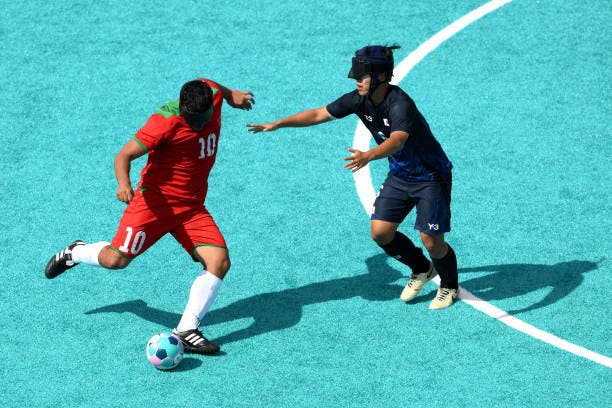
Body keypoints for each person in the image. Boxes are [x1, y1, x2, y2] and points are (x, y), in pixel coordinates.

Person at [45, 78, 255, 353]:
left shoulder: (212, 97)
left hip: (191, 207)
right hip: (154, 205)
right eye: (193, 121)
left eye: (203, 120)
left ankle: (186, 329)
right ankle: (75, 252)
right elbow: (123, 156)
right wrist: (124, 184)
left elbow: (211, 83)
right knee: (116, 260)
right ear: (182, 108)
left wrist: (231, 95)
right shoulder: (164, 122)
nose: (199, 126)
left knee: (219, 261)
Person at [247, 45, 458, 309]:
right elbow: (318, 114)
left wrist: (368, 156)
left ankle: (450, 286)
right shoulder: (359, 99)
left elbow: (398, 140)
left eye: (363, 75)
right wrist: (278, 123)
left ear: (381, 76)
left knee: (431, 239)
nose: (356, 80)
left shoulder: (400, 104)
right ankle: (422, 268)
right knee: (381, 232)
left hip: (430, 176)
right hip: (401, 174)